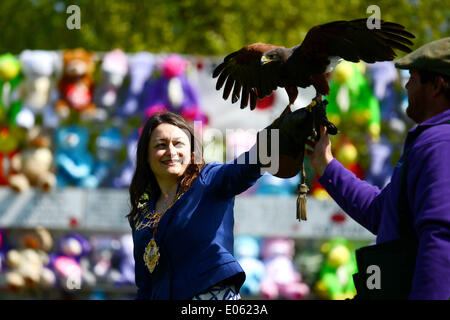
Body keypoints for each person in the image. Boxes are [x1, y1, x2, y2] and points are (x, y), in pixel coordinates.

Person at [306, 37, 450, 300]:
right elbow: (383, 213)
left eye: (414, 77)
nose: (406, 85)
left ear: (437, 86)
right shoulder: (432, 140)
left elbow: (441, 240)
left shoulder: (441, 144)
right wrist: (325, 165)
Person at [126, 105, 316, 300]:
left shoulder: (208, 180)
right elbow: (144, 284)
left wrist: (276, 135)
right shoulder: (142, 216)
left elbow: (245, 167)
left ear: (191, 152)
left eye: (178, 143)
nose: (171, 151)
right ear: (146, 156)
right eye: (160, 145)